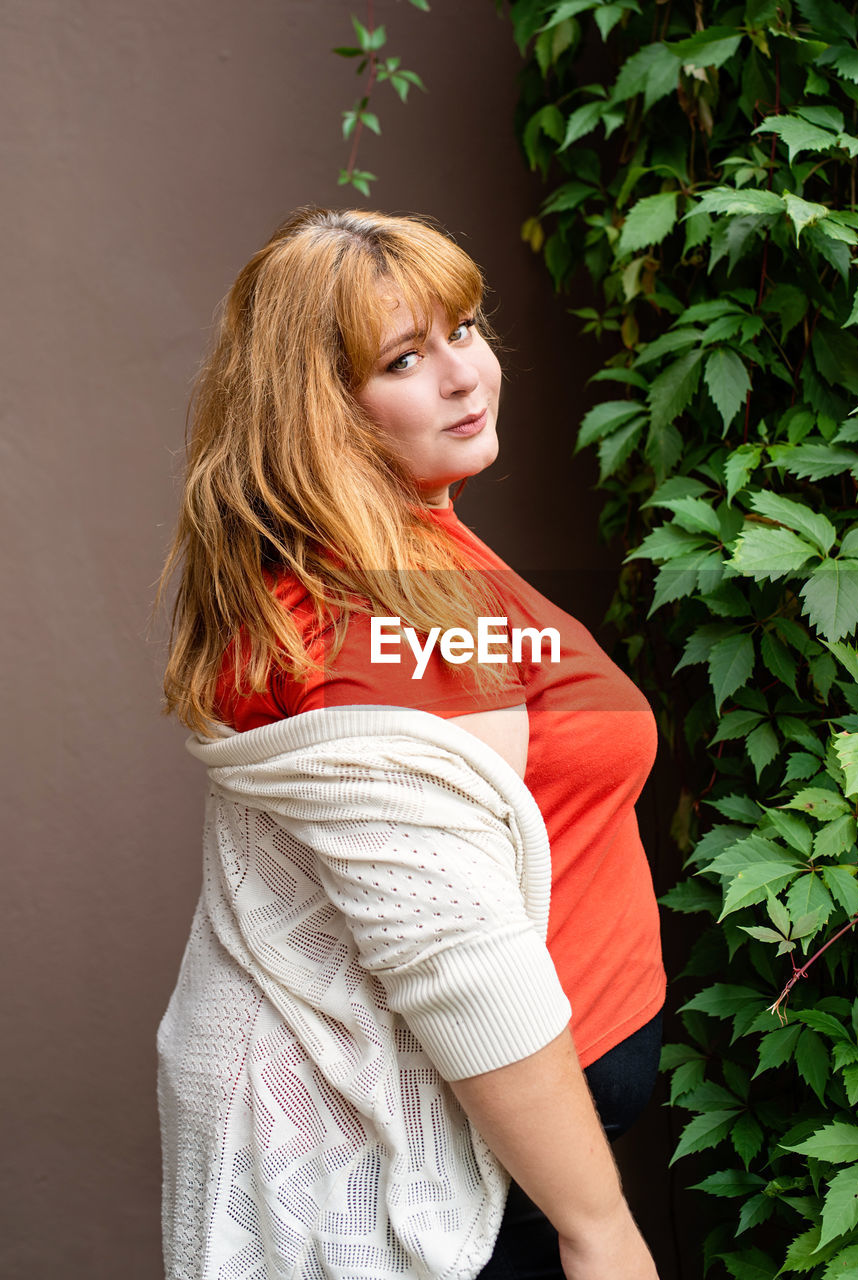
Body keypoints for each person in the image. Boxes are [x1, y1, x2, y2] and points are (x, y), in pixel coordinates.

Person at [157, 206, 665, 1280]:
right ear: (320, 410)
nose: (463, 374)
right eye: (403, 357)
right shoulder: (358, 618)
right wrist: (598, 1224)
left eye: (465, 329)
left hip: (521, 1159)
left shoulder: (409, 539)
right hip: (495, 1187)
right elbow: (453, 950)